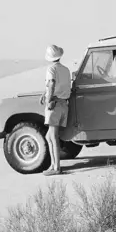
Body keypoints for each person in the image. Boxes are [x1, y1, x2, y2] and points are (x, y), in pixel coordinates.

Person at [40, 44, 72, 176]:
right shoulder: (65, 69)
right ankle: (54, 164)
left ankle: (56, 167)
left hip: (55, 104)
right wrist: (45, 92)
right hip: (64, 104)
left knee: (53, 136)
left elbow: (52, 83)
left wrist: (48, 100)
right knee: (49, 135)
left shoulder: (51, 69)